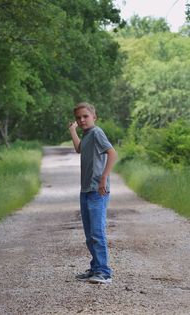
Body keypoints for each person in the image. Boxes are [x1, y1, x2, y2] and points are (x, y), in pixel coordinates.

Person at [69, 102, 117, 284]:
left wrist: (104, 178)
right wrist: (73, 130)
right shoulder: (87, 135)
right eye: (78, 118)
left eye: (85, 116)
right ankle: (96, 268)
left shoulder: (97, 132)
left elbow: (113, 154)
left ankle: (104, 272)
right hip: (86, 190)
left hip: (98, 190)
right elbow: (79, 149)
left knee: (97, 232)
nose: (81, 120)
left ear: (94, 116)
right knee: (90, 235)